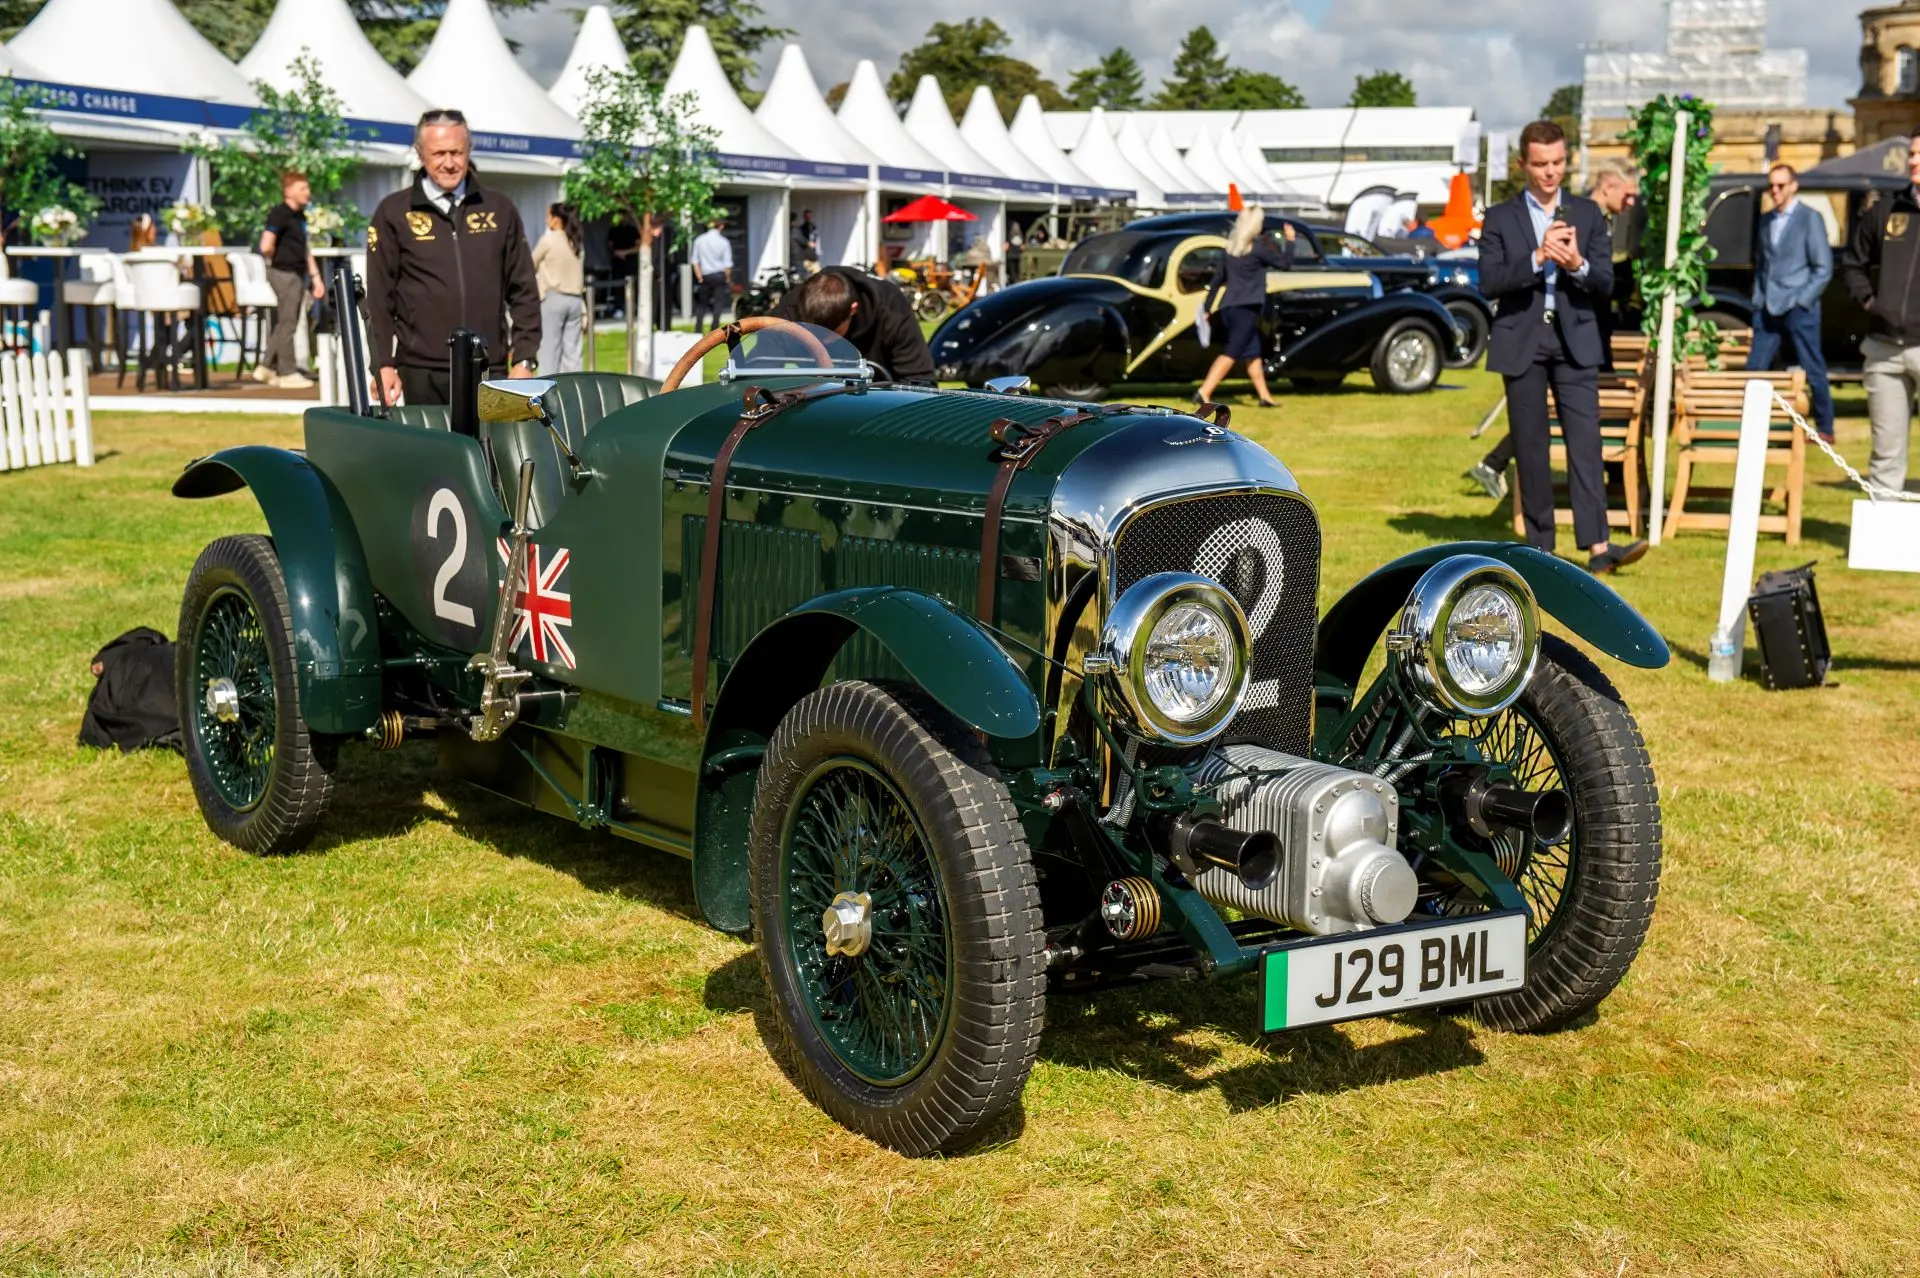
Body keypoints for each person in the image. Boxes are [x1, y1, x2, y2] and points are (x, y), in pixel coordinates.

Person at [1480, 119, 1644, 575]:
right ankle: (1542, 553)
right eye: (1540, 164)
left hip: (1576, 342)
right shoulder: (1500, 217)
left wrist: (1576, 264)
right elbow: (1489, 281)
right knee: (1531, 447)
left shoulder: (1587, 214)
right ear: (1523, 164)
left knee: (1586, 444)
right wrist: (1537, 257)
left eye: (1557, 163)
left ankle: (1598, 547)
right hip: (1522, 341)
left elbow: (1606, 282)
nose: (1550, 172)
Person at [1468, 160, 1640, 498]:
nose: (1632, 202)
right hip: (1564, 334)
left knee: (1573, 420)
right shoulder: (1576, 216)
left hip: (1586, 336)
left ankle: (1611, 484)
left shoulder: (1597, 218)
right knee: (1543, 418)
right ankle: (1495, 464)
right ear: (1608, 186)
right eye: (1628, 194)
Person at [366, 108, 539, 407]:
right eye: (439, 153)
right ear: (420, 153)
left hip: (490, 368)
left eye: (457, 152)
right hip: (421, 372)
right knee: (429, 442)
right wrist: (383, 363)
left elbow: (524, 290)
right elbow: (380, 298)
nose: (449, 163)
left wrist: (525, 359)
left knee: (493, 441)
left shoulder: (499, 209)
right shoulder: (393, 212)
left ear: (469, 150)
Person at [1841, 142, 1920, 493]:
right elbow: (1852, 262)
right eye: (1912, 153)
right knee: (1886, 459)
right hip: (1883, 351)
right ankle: (1884, 527)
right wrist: (1870, 302)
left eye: (1919, 153)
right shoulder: (1887, 208)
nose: (1912, 160)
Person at [1745, 164, 1835, 442]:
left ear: (1793, 186)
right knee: (1754, 369)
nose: (1775, 191)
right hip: (1767, 307)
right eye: (1771, 186)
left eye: (1781, 185)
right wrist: (1758, 299)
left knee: (1813, 368)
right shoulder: (1765, 220)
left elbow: (1823, 268)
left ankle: (1825, 429)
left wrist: (1802, 300)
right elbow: (1762, 265)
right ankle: (1748, 426)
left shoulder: (1810, 218)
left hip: (1799, 307)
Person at [1196, 205, 1292, 407]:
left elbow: (1217, 280)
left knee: (1253, 353)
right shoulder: (1257, 249)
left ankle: (1265, 397)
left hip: (1229, 307)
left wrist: (1207, 307)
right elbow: (1284, 264)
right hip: (1246, 308)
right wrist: (1290, 241)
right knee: (1232, 352)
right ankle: (1204, 392)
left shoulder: (1230, 249)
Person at [774, 266, 936, 383]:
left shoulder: (891, 307)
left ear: (853, 309)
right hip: (809, 401)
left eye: (830, 335)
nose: (822, 343)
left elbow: (919, 380)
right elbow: (761, 372)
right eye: (813, 332)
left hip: (879, 402)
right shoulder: (789, 311)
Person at [256, 171, 325, 390]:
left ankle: (266, 366)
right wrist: (278, 259)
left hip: (297, 273)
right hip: (283, 272)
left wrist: (316, 277)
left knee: (287, 321)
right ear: (289, 191)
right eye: (302, 188)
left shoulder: (300, 216)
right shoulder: (279, 214)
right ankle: (287, 372)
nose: (308, 192)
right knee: (289, 322)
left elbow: (305, 249)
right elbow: (266, 245)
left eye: (307, 188)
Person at [534, 202, 585, 375]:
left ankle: (548, 388)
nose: (546, 219)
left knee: (549, 350)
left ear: (556, 219)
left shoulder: (548, 241)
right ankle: (573, 387)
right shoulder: (576, 242)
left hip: (554, 298)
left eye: (548, 216)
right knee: (573, 353)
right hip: (576, 300)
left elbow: (530, 264)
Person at [690, 216, 733, 330]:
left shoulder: (699, 240)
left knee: (702, 303)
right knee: (718, 303)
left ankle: (698, 327)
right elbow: (727, 264)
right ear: (721, 226)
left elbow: (695, 261)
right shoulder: (724, 242)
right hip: (719, 275)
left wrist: (699, 276)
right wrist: (728, 279)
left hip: (706, 274)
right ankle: (714, 328)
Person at [799, 207, 819, 274]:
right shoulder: (802, 228)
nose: (809, 218)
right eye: (807, 216)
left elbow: (815, 240)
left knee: (817, 274)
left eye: (810, 216)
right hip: (805, 256)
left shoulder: (813, 227)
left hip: (812, 256)